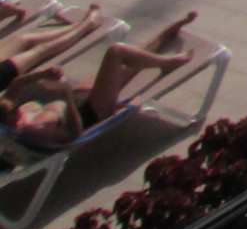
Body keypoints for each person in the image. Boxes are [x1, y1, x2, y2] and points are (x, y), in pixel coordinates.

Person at [1, 12, 198, 150]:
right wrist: (66, 94)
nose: (17, 107)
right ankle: (167, 63)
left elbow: (16, 84)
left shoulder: (7, 111)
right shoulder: (34, 130)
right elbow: (74, 133)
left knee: (132, 62)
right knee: (116, 53)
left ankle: (167, 34)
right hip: (93, 110)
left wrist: (42, 74)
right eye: (13, 111)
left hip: (80, 97)